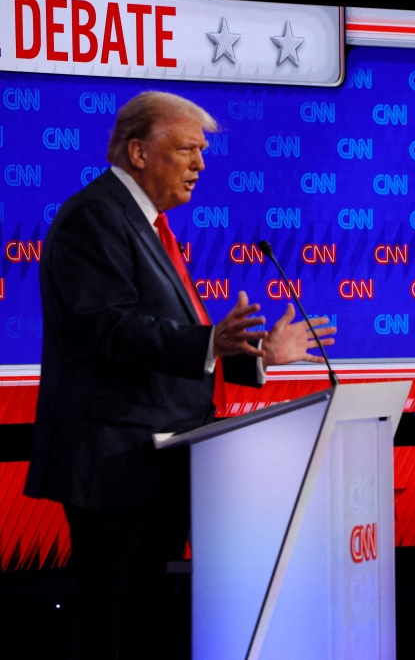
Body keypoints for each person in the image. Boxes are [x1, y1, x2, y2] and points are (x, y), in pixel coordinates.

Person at [24, 91, 336, 659]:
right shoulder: (95, 217)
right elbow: (109, 329)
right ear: (139, 152)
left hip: (155, 461)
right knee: (109, 632)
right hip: (114, 463)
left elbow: (171, 345)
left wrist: (258, 355)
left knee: (143, 626)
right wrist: (209, 340)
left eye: (202, 151)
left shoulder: (144, 223)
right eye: (188, 149)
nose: (201, 164)